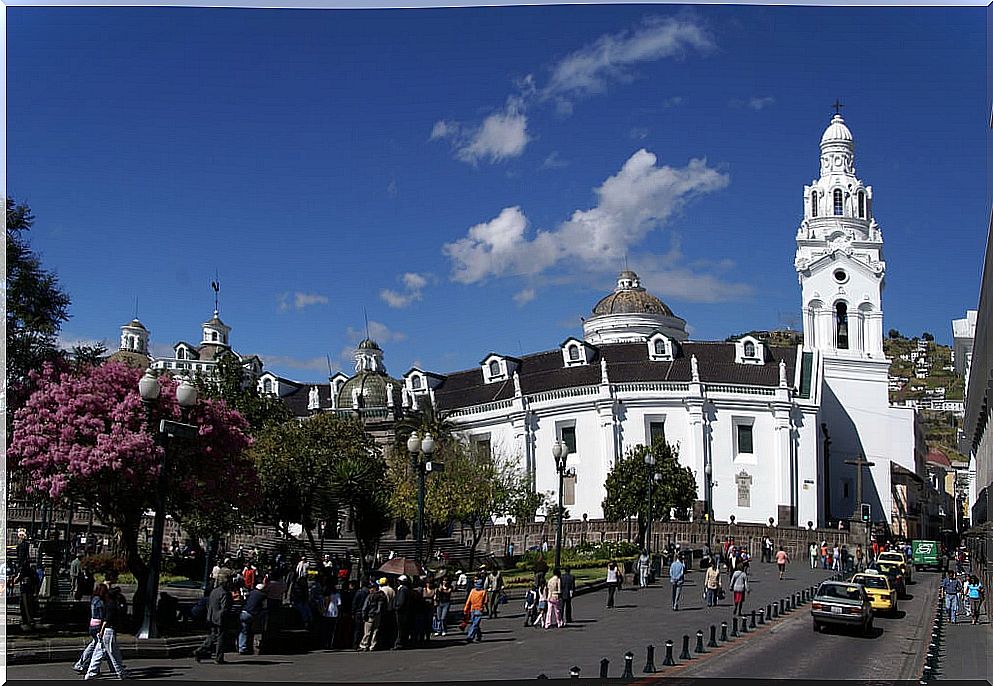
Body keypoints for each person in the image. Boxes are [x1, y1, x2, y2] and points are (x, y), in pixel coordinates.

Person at [73, 583, 107, 676]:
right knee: (98, 647)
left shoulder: (93, 599)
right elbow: (102, 615)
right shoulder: (100, 602)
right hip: (98, 625)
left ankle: (82, 664)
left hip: (92, 624)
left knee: (93, 645)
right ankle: (87, 665)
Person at [196, 578, 232, 664]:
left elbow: (210, 605)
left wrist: (209, 616)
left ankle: (200, 650)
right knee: (220, 638)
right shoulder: (224, 593)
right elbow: (224, 608)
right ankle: (219, 657)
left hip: (212, 616)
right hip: (220, 619)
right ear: (225, 584)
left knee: (212, 636)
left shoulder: (214, 591)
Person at [239, 583, 268, 655]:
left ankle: (242, 647)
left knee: (243, 631)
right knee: (254, 631)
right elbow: (264, 607)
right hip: (253, 614)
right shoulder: (263, 596)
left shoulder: (251, 593)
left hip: (244, 612)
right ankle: (254, 648)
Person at [358, 580, 388, 651]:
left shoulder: (370, 596)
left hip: (370, 615)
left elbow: (365, 607)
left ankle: (364, 645)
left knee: (367, 631)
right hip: (378, 615)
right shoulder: (382, 595)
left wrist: (364, 615)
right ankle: (373, 645)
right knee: (375, 631)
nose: (370, 589)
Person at [463, 579, 487, 643]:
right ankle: (479, 636)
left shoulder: (473, 591)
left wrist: (466, 609)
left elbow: (469, 600)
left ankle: (470, 636)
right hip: (476, 609)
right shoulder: (483, 592)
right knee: (476, 624)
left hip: (475, 609)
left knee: (475, 624)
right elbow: (485, 601)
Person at [351, 580, 370, 649]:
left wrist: (353, 612)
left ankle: (355, 644)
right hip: (366, 612)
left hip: (358, 612)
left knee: (357, 629)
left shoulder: (359, 592)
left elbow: (354, 603)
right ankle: (364, 643)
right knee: (365, 629)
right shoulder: (369, 592)